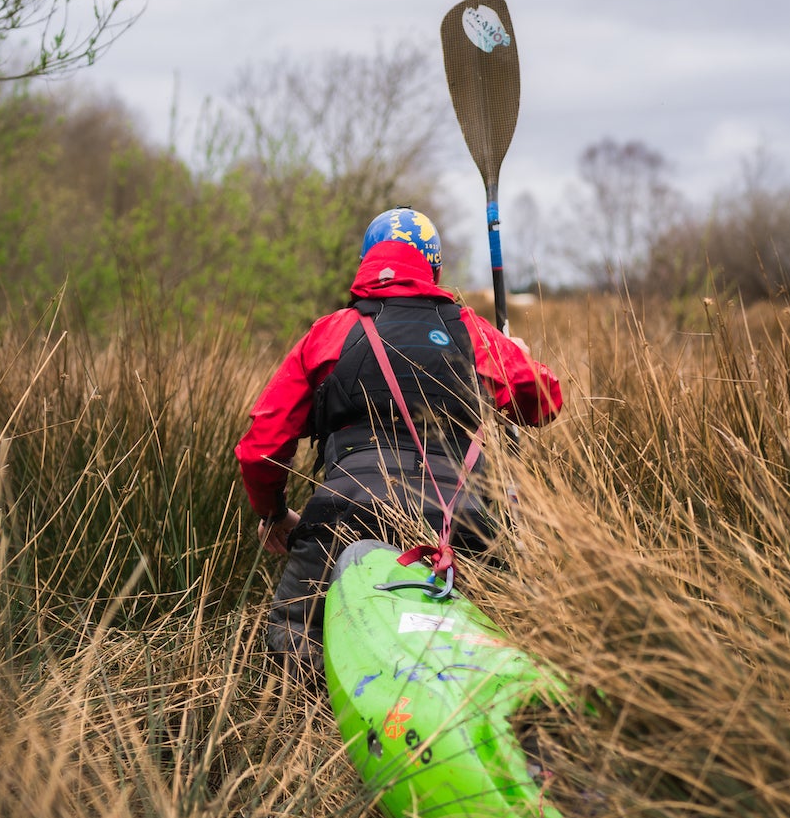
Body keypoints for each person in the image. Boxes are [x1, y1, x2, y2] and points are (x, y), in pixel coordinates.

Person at [235, 206, 564, 677]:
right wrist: (524, 359)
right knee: (498, 643)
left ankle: (317, 739)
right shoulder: (471, 330)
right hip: (466, 518)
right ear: (434, 268)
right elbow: (545, 402)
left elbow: (261, 448)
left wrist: (273, 513)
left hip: (346, 514)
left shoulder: (329, 334)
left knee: (293, 650)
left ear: (366, 263)